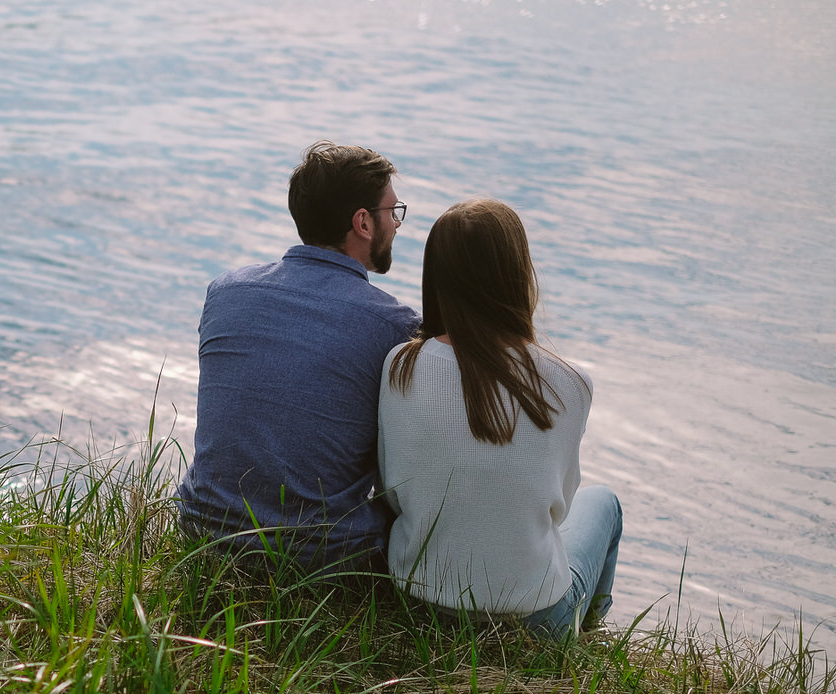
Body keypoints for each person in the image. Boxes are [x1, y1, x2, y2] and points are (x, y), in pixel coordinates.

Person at [377, 198, 622, 638]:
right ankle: (586, 636)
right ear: (518, 273)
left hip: (417, 606)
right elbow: (557, 509)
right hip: (532, 623)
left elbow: (395, 494)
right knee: (605, 503)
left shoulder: (400, 366)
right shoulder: (572, 383)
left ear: (435, 277)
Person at [177, 141, 420, 573]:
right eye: (392, 212)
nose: (397, 224)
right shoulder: (395, 326)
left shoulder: (225, 293)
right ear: (363, 223)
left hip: (202, 532)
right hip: (316, 557)